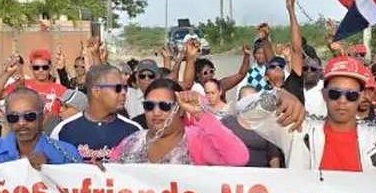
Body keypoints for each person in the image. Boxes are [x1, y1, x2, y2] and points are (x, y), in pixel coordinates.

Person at [237, 56, 376, 176]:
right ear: (324, 94)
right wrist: (276, 96)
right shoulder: (297, 130)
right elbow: (244, 114)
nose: (342, 100)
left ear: (361, 97)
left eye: (351, 95)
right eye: (335, 93)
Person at [109, 78, 248, 166]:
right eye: (149, 106)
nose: (156, 112)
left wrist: (200, 114)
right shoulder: (133, 141)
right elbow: (110, 175)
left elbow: (239, 158)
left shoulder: (197, 140)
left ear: (180, 110)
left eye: (164, 106)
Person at [51, 65, 141, 163]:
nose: (124, 92)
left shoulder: (134, 131)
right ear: (96, 91)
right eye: (118, 88)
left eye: (125, 88)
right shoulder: (63, 131)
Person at [221, 87, 283, 168]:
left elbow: (274, 156)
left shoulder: (267, 125)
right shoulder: (227, 123)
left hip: (261, 175)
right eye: (246, 100)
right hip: (234, 175)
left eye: (252, 100)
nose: (249, 104)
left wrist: (275, 177)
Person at [0, 50, 67, 116]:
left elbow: (73, 109)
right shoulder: (23, 84)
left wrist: (62, 71)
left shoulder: (59, 88)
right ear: (30, 68)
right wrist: (7, 74)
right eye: (36, 68)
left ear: (50, 67)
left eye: (44, 67)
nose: (40, 70)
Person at [124, 59, 160, 125]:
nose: (147, 79)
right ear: (137, 78)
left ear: (157, 78)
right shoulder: (128, 95)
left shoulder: (164, 97)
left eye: (151, 76)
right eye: (142, 76)